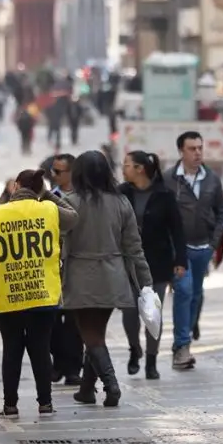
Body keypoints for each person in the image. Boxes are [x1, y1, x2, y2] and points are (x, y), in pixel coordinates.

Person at [0, 170, 78, 417]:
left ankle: (10, 405)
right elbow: (74, 218)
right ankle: (45, 403)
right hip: (43, 294)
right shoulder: (49, 210)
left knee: (12, 349)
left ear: (16, 186)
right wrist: (48, 195)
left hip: (7, 295)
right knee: (40, 349)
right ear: (40, 188)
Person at [64, 151, 152, 407]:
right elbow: (134, 248)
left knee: (91, 336)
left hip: (81, 277)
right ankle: (86, 390)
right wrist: (145, 283)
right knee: (96, 334)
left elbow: (61, 245)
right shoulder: (121, 202)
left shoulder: (70, 203)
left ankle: (111, 386)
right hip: (113, 276)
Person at [119, 151, 186, 380]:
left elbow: (177, 230)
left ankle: (151, 360)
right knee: (129, 311)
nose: (123, 169)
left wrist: (180, 261)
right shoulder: (121, 193)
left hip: (157, 263)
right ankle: (134, 349)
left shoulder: (164, 195)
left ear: (140, 169)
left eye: (127, 165)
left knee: (152, 313)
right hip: (127, 263)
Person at [162, 130, 223, 368]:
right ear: (181, 151)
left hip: (203, 249)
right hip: (179, 250)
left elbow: (220, 212)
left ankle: (185, 334)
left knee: (196, 296)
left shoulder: (211, 179)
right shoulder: (169, 180)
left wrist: (213, 243)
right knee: (184, 292)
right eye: (192, 148)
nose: (197, 153)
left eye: (200, 148)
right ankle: (182, 346)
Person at [46, 153, 82, 385]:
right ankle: (57, 364)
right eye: (53, 171)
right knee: (51, 320)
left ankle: (73, 369)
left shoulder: (84, 198)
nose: (54, 175)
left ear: (71, 173)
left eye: (59, 171)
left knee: (74, 323)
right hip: (52, 268)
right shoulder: (49, 199)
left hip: (77, 267)